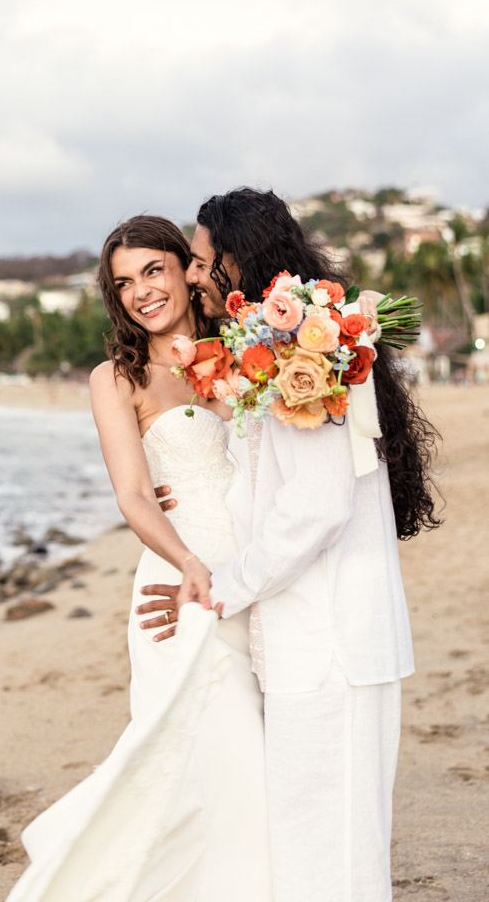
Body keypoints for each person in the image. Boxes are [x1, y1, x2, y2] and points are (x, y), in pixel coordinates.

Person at [145, 188, 441, 902]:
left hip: (329, 637)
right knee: (318, 842)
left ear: (236, 261)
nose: (190, 275)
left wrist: (220, 586)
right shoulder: (277, 350)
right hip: (316, 634)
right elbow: (270, 481)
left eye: (201, 261)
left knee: (330, 851)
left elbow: (313, 507)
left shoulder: (292, 356)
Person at [5, 214, 273, 902]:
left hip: (262, 577)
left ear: (187, 268)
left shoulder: (248, 354)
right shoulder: (115, 378)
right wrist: (187, 562)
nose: (140, 291)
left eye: (152, 270)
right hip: (181, 585)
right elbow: (132, 496)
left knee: (261, 751)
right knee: (215, 743)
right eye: (122, 282)